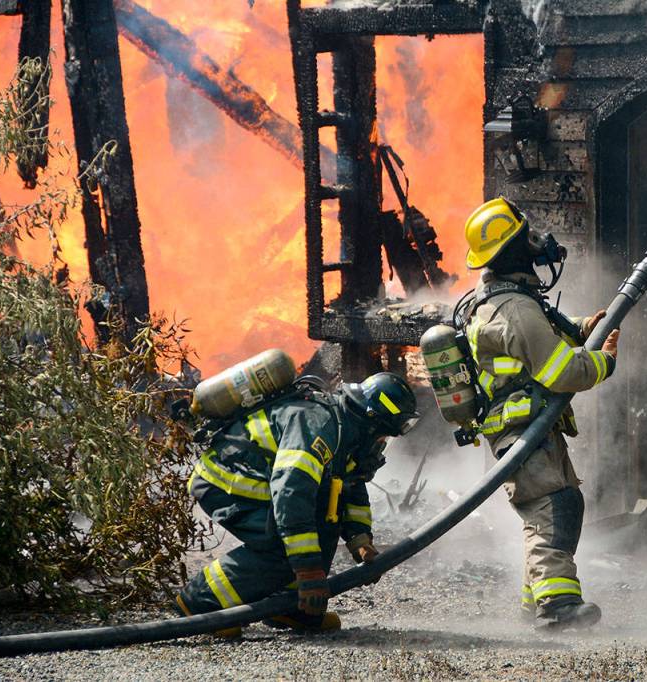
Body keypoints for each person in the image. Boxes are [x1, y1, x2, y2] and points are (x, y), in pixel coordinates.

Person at [459, 196, 619, 629]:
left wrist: (585, 327)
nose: (538, 243)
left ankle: (537, 603)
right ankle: (558, 608)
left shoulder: (513, 300)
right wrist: (604, 361)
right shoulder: (514, 309)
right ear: (511, 250)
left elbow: (547, 328)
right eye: (527, 237)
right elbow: (560, 370)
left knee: (561, 503)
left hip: (530, 426)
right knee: (550, 508)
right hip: (522, 430)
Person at [175, 372, 419, 634]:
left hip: (265, 485)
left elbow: (351, 486)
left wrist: (360, 540)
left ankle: (289, 607)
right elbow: (291, 494)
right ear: (372, 421)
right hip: (225, 480)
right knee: (283, 542)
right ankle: (200, 601)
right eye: (384, 435)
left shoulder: (348, 433)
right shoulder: (320, 425)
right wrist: (308, 570)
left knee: (326, 519)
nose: (383, 443)